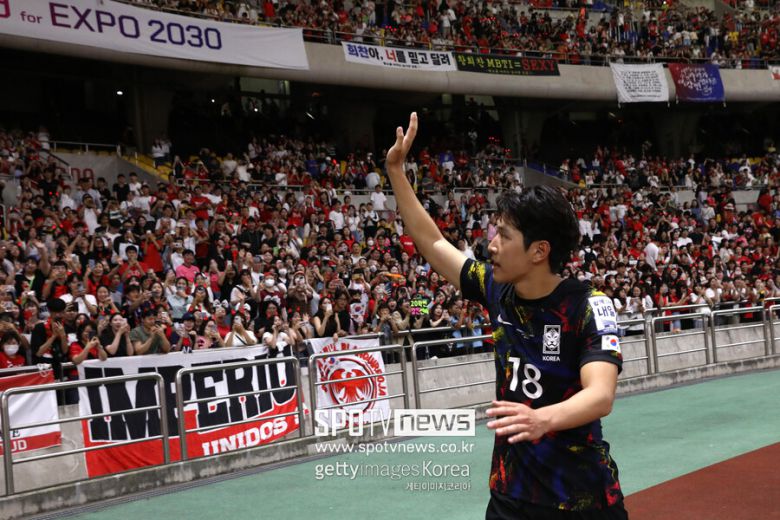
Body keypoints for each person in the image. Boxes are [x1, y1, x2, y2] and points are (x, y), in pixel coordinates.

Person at [385, 113, 627, 519]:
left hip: (580, 499)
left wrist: (541, 419)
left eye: (504, 236)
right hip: (510, 495)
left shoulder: (589, 306)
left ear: (539, 251)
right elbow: (432, 243)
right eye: (494, 232)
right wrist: (396, 171)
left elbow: (600, 395)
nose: (492, 245)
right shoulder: (496, 288)